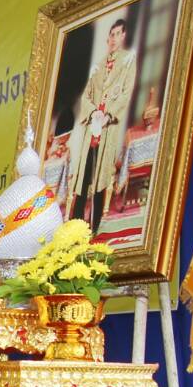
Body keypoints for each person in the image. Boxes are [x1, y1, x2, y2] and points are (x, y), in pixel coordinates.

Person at [65, 18, 137, 235]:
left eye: (117, 34)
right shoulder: (99, 65)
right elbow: (87, 95)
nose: (113, 39)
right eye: (111, 35)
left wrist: (108, 114)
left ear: (123, 36)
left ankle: (95, 226)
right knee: (84, 175)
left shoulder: (127, 61)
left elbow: (125, 93)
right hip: (91, 128)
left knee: (100, 177)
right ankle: (77, 224)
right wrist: (93, 111)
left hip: (107, 128)